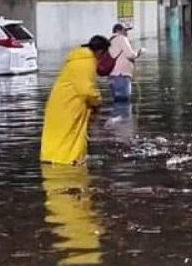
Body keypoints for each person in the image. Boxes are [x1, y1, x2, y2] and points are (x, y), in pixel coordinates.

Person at [40, 36, 110, 165]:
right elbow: (85, 89)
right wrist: (98, 100)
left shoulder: (76, 59)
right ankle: (66, 161)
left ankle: (53, 158)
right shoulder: (87, 62)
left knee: (60, 135)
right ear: (100, 51)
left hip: (61, 105)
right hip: (69, 107)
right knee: (69, 136)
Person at [107, 23, 142, 102]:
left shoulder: (110, 40)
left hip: (112, 77)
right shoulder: (121, 38)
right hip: (121, 76)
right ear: (118, 30)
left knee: (117, 101)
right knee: (123, 102)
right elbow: (130, 54)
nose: (127, 32)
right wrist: (138, 53)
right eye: (125, 30)